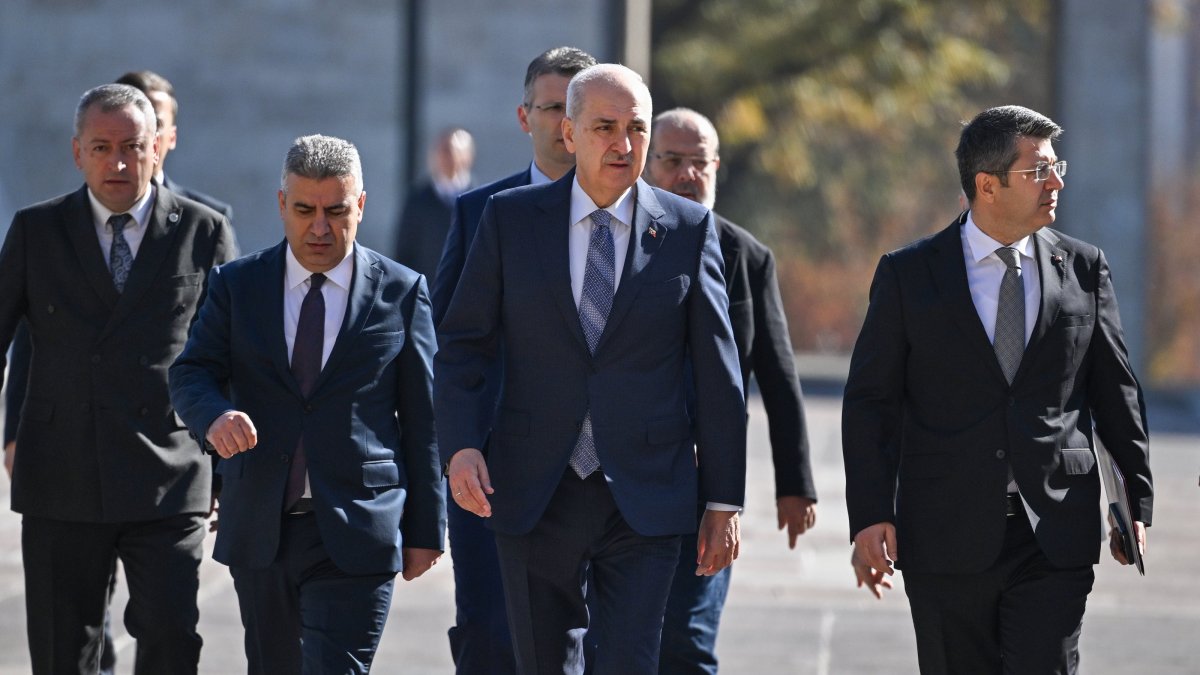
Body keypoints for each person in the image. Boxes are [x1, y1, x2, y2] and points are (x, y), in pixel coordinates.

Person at [435, 63, 747, 675]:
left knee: (630, 662)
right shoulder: (510, 219)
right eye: (605, 126)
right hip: (532, 487)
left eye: (637, 127)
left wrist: (724, 500)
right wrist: (461, 445)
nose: (624, 144)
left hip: (646, 492)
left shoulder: (688, 229)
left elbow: (718, 371)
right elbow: (464, 344)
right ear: (568, 134)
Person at [841, 105, 1154, 674]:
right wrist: (868, 514)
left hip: (1055, 529)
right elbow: (871, 404)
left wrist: (1133, 498)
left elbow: (1116, 390)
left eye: (1058, 167)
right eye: (1038, 171)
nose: (1056, 182)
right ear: (987, 185)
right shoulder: (909, 275)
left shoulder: (1085, 267)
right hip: (944, 533)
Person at [169, 134, 445, 674]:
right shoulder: (237, 285)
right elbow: (191, 371)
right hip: (261, 525)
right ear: (281, 205)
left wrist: (425, 530)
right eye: (304, 210)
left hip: (358, 526)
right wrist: (214, 416)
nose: (319, 227)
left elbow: (423, 420)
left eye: (336, 211)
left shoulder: (402, 292)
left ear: (360, 206)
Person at [0, 82, 236, 674]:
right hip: (62, 474)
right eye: (102, 148)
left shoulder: (203, 231)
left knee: (171, 637)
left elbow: (236, 359)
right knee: (62, 650)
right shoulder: (36, 231)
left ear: (159, 147)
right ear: (77, 152)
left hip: (170, 471)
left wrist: (232, 473)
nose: (119, 162)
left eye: (132, 146)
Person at [429, 45, 596, 675]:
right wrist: (455, 447)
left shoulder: (642, 220)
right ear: (524, 117)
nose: (563, 124)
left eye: (575, 109)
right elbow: (451, 342)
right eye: (551, 108)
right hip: (495, 472)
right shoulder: (481, 213)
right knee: (491, 630)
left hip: (602, 469)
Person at [643, 108, 818, 674]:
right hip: (624, 473)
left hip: (705, 484)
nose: (688, 175)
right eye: (673, 161)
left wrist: (795, 485)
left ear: (716, 168)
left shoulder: (747, 256)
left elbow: (779, 374)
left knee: (689, 642)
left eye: (700, 163)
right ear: (647, 167)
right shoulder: (617, 244)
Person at [115, 70, 234, 221]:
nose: (141, 135)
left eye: (154, 123)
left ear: (172, 137)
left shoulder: (209, 220)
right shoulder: (78, 214)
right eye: (128, 122)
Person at [394, 127, 474, 286]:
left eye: (452, 151)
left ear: (467, 156)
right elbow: (404, 252)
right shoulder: (418, 200)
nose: (447, 158)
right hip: (429, 294)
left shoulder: (481, 199)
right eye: (442, 151)